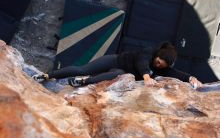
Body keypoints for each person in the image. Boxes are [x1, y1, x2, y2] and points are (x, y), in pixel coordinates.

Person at [32, 42, 202, 87]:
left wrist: (191, 78)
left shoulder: (164, 68)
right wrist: (145, 76)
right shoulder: (149, 52)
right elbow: (142, 62)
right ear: (157, 55)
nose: (158, 65)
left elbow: (175, 73)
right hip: (116, 60)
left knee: (120, 75)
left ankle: (83, 81)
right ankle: (47, 75)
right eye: (158, 61)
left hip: (120, 71)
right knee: (81, 68)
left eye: (161, 65)